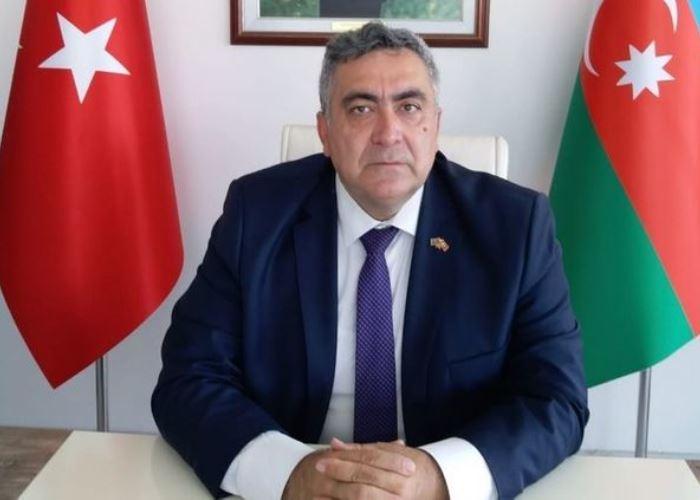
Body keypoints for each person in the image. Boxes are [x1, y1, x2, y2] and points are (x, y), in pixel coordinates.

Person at [152, 22, 589, 500]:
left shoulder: (515, 227)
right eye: (361, 108)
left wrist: (439, 477)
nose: (388, 133)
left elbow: (555, 399)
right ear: (325, 131)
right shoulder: (255, 215)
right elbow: (188, 378)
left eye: (409, 106)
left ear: (435, 124)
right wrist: (288, 473)